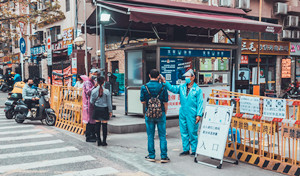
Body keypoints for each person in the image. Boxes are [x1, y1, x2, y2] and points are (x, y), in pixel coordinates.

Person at [160, 69, 204, 156]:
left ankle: (194, 150)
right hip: (183, 112)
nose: (186, 78)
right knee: (183, 131)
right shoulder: (182, 87)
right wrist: (165, 82)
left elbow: (200, 103)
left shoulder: (197, 89)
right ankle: (186, 149)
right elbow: (172, 88)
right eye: (186, 77)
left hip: (192, 113)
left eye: (188, 76)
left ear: (193, 77)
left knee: (192, 132)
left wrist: (199, 115)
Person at [140, 69, 170, 163]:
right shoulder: (163, 87)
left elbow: (142, 101)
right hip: (161, 113)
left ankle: (151, 155)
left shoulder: (144, 87)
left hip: (149, 114)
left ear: (149, 75)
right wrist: (165, 111)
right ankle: (164, 157)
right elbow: (165, 101)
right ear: (158, 76)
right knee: (162, 135)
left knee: (150, 135)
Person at [90, 76, 112, 146]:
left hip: (97, 108)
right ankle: (104, 141)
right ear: (104, 82)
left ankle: (98, 140)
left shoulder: (93, 91)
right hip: (104, 109)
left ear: (97, 82)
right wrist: (110, 111)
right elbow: (109, 103)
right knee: (104, 125)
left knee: (97, 125)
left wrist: (96, 103)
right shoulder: (107, 91)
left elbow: (91, 101)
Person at [82, 69, 99, 142]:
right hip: (88, 104)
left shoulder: (93, 81)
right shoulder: (87, 82)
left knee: (93, 120)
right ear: (90, 73)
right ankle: (88, 136)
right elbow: (88, 92)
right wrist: (94, 87)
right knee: (89, 121)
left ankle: (93, 135)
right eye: (94, 73)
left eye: (96, 74)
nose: (95, 75)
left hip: (92, 104)